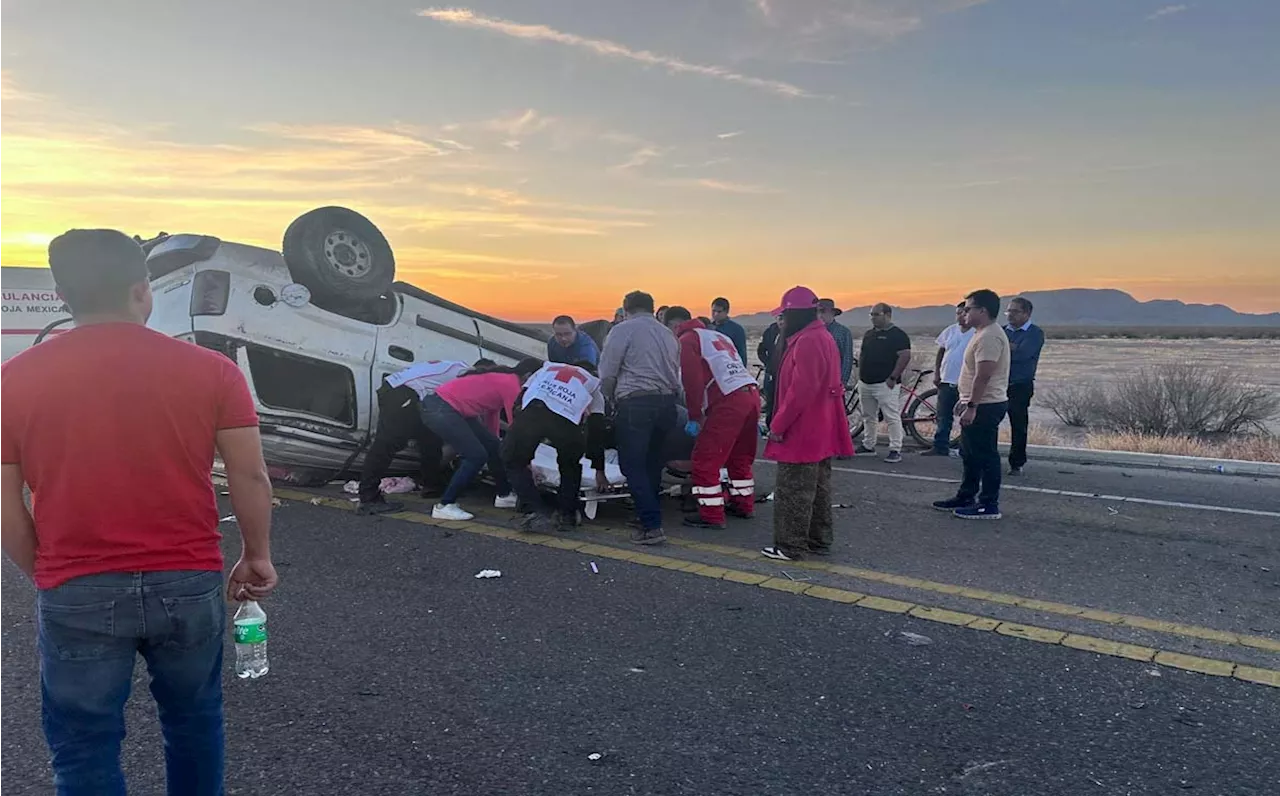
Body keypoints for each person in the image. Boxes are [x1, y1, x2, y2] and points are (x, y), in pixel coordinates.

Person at [0, 229, 278, 795]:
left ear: (61, 294)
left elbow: (5, 498)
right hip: (188, 578)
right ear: (142, 290)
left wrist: (47, 572)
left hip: (76, 582)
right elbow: (249, 474)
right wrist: (256, 555)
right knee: (194, 722)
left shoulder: (13, 380)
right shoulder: (212, 372)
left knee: (83, 742)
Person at [761, 286, 853, 561]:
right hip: (820, 426)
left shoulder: (808, 341)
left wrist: (778, 425)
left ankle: (790, 546)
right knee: (818, 487)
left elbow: (801, 390)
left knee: (793, 488)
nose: (783, 321)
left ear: (794, 314)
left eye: (785, 315)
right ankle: (818, 539)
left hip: (803, 428)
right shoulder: (820, 336)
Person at [598, 290, 681, 545]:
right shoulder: (667, 333)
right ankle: (648, 513)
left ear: (626, 309)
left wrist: (609, 399)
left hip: (636, 402)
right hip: (667, 402)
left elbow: (608, 372)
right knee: (652, 463)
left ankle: (651, 525)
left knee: (632, 465)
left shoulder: (622, 330)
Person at [666, 307, 761, 529]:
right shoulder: (718, 335)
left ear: (674, 326)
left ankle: (711, 514)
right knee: (739, 457)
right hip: (750, 394)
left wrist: (694, 416)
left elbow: (693, 382)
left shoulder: (688, 341)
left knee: (705, 459)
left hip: (728, 401)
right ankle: (743, 504)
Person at [420, 358, 543, 521]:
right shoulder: (512, 386)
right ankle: (445, 504)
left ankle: (504, 494)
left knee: (493, 447)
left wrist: (495, 442)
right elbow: (517, 426)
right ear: (529, 376)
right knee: (475, 456)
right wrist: (526, 462)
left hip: (449, 408)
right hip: (443, 409)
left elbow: (492, 414)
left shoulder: (506, 379)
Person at [357, 359, 476, 515]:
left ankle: (432, 484)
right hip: (402, 393)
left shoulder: (458, 366)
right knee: (387, 444)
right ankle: (368, 497)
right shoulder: (465, 376)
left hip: (405, 391)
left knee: (430, 437)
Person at [502, 361, 609, 533]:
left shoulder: (546, 370)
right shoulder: (592, 384)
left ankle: (535, 510)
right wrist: (599, 469)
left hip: (534, 412)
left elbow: (520, 401)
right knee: (570, 465)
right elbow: (596, 430)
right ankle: (567, 515)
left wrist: (523, 452)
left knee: (513, 461)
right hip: (565, 421)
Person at [933, 289, 1011, 520]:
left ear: (983, 311)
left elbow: (983, 375)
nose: (964, 313)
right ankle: (966, 495)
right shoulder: (981, 333)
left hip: (986, 405)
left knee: (985, 455)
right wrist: (965, 399)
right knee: (970, 453)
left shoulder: (990, 336)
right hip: (976, 402)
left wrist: (973, 405)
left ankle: (988, 504)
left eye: (968, 309)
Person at [855, 303, 913, 463]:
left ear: (887, 315)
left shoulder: (898, 335)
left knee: (891, 417)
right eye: (871, 314)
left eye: (876, 314)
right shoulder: (869, 334)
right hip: (865, 382)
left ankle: (895, 448)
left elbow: (905, 356)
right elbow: (863, 355)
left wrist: (893, 377)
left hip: (885, 383)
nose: (873, 318)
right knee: (868, 416)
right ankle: (868, 445)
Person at [923, 302, 974, 457]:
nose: (960, 316)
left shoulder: (976, 333)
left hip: (965, 384)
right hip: (946, 380)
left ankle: (965, 449)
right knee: (943, 416)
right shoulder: (950, 331)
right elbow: (941, 351)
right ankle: (940, 447)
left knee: (966, 418)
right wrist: (937, 373)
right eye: (957, 313)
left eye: (963, 313)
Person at [1004, 296, 1044, 476]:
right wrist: (1010, 347)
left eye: (1015, 311)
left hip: (1020, 385)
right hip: (998, 383)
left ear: (1026, 314)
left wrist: (1005, 348)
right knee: (987, 422)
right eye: (1009, 311)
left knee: (1018, 424)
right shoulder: (1002, 331)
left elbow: (1023, 354)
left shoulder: (1035, 333)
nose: (1010, 315)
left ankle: (1017, 462)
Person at [817, 298, 855, 388]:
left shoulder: (843, 332)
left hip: (834, 380)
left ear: (832, 313)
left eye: (823, 312)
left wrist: (842, 381)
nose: (820, 315)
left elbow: (847, 358)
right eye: (818, 312)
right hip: (815, 380)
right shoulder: (811, 332)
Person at [757, 316, 783, 427]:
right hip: (771, 373)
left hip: (786, 373)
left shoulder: (794, 332)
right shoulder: (770, 331)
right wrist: (768, 364)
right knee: (770, 402)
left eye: (784, 318)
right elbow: (761, 349)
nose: (781, 321)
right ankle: (770, 427)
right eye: (779, 318)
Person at [709, 297, 749, 366]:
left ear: (726, 312)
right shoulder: (708, 328)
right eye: (713, 311)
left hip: (729, 366)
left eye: (719, 312)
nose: (715, 314)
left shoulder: (736, 329)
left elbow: (741, 353)